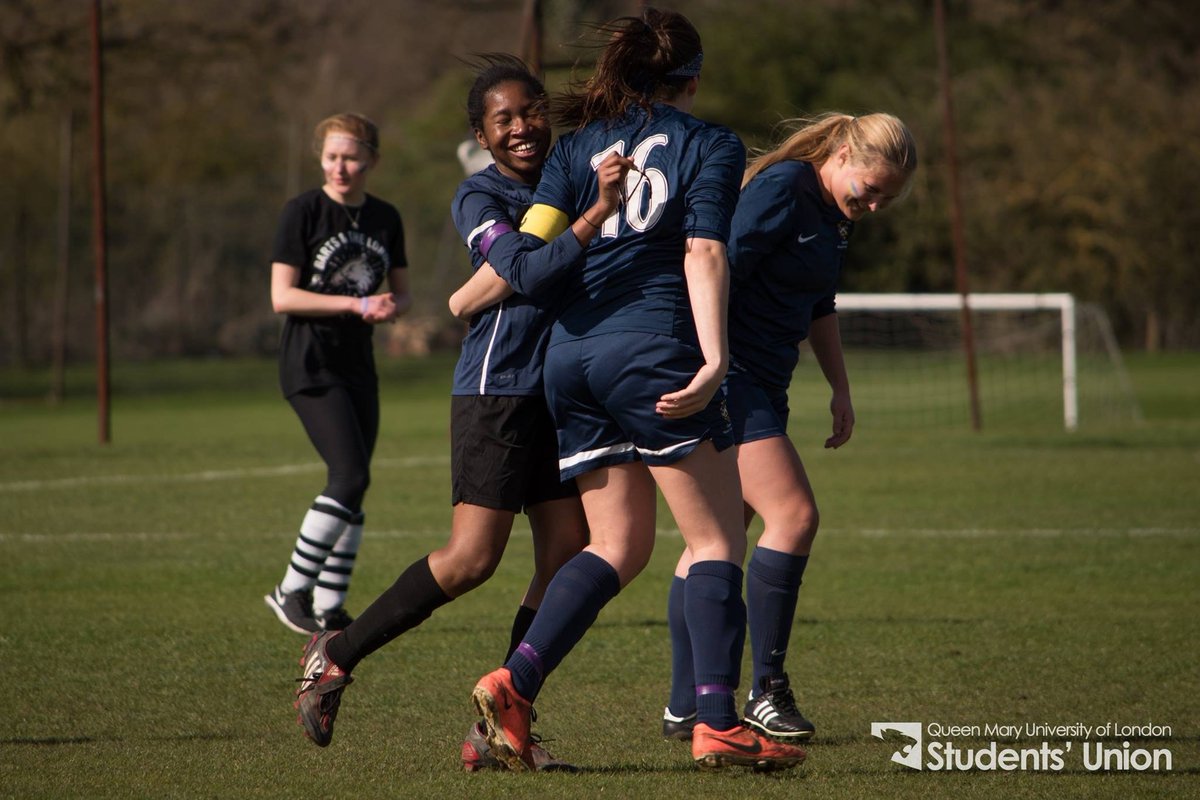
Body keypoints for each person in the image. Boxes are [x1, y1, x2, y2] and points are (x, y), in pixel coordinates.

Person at [464, 8, 808, 773]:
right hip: (651, 350)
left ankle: (514, 683)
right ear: (693, 77)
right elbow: (704, 252)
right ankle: (717, 721)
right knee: (716, 538)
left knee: (618, 545)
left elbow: (538, 250)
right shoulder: (711, 143)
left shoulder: (580, 146)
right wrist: (715, 359)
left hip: (570, 361)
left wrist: (469, 291)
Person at [290, 57, 629, 768]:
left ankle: (503, 719)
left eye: (531, 111)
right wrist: (592, 214)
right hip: (497, 389)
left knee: (567, 552)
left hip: (560, 393)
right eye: (503, 119)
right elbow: (525, 270)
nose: (522, 127)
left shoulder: (567, 177)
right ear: (481, 133)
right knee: (473, 559)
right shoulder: (479, 197)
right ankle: (335, 655)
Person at [660, 113, 918, 743]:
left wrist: (841, 388)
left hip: (767, 385)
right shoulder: (782, 189)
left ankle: (683, 702)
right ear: (839, 152)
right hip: (732, 377)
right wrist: (708, 365)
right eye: (870, 189)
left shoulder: (834, 214)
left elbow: (818, 305)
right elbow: (716, 268)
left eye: (888, 198)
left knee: (713, 539)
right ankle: (766, 690)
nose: (875, 205)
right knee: (795, 516)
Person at [264, 112, 411, 634]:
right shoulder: (302, 211)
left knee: (354, 485)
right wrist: (354, 305)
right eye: (331, 157)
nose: (340, 167)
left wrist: (389, 306)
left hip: (358, 365)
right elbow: (282, 296)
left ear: (371, 159)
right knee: (349, 476)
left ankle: (330, 606)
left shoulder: (385, 216)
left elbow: (400, 289)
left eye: (350, 157)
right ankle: (291, 591)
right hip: (309, 362)